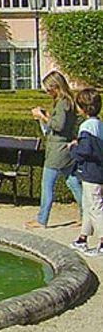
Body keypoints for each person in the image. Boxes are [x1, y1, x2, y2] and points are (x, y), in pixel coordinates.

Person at [27, 71, 83, 228]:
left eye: (48, 88)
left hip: (57, 150)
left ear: (56, 86)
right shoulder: (67, 101)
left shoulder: (63, 102)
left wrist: (41, 117)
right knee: (73, 183)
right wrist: (49, 115)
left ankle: (42, 219)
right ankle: (86, 215)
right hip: (64, 148)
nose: (47, 91)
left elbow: (58, 126)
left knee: (47, 185)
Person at [68, 88, 102, 257]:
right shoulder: (98, 124)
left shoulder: (86, 126)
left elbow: (86, 151)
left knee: (95, 207)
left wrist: (73, 148)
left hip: (92, 172)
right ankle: (82, 239)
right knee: (88, 206)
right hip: (96, 172)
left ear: (82, 108)